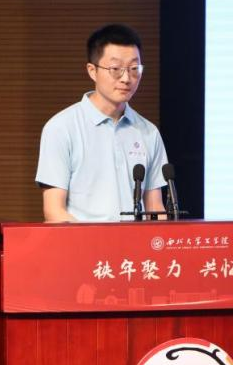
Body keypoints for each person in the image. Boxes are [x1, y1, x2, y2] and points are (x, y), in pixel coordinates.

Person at [35, 24, 168, 222]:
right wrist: (96, 240)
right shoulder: (61, 128)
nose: (126, 78)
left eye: (134, 69)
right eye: (115, 69)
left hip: (135, 242)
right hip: (82, 241)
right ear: (92, 71)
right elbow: (54, 212)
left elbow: (155, 208)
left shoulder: (148, 132)